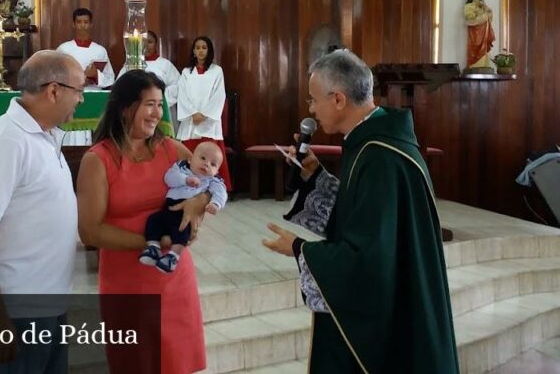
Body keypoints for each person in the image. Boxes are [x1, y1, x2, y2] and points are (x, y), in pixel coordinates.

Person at [262, 50, 459, 374]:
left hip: (394, 319)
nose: (310, 109)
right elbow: (365, 219)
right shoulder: (373, 142)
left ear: (338, 99)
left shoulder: (380, 156)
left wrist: (300, 250)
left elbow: (369, 259)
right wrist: (314, 177)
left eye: (314, 100)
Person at [76, 70, 212, 374]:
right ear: (126, 107)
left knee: (177, 364)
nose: (157, 113)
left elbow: (208, 185)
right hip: (128, 282)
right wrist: (151, 242)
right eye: (149, 104)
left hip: (175, 282)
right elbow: (89, 230)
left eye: (160, 105)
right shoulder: (99, 159)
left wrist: (197, 205)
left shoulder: (171, 150)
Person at [0, 50, 86, 374]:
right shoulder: (7, 141)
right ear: (54, 90)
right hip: (18, 310)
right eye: (79, 90)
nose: (82, 100)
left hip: (47, 300)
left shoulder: (42, 135)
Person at [140, 141, 227, 273]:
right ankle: (153, 248)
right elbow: (168, 178)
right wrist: (185, 179)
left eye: (213, 164)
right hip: (168, 208)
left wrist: (215, 204)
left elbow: (221, 192)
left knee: (182, 231)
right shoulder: (181, 168)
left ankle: (173, 256)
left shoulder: (212, 180)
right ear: (191, 158)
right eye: (203, 158)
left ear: (216, 171)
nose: (206, 164)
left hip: (184, 215)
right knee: (154, 220)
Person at [175, 36, 231, 190]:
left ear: (209, 51)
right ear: (193, 51)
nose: (200, 50)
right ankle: (188, 184)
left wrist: (205, 114)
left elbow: (219, 95)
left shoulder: (216, 71)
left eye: (204, 47)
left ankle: (213, 187)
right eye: (197, 47)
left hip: (209, 122)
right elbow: (183, 94)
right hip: (191, 121)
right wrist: (193, 113)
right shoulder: (186, 72)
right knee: (189, 153)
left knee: (209, 153)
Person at [56, 7, 115, 146]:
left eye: (86, 22)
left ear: (91, 24)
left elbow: (110, 78)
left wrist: (95, 75)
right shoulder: (64, 49)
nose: (83, 26)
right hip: (71, 97)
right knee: (71, 135)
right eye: (79, 22)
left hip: (93, 97)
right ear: (73, 24)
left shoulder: (100, 50)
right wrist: (82, 78)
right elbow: (56, 75)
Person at [119, 30, 180, 119]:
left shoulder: (165, 64)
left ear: (156, 44)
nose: (146, 45)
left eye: (150, 42)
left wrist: (159, 99)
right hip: (137, 109)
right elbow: (119, 85)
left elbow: (177, 86)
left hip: (160, 109)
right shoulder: (131, 64)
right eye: (143, 41)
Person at [464, 0, 495, 70]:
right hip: (475, 27)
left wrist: (485, 8)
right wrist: (476, 11)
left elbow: (489, 13)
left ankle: (483, 63)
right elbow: (468, 15)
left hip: (484, 26)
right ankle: (474, 64)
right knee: (475, 43)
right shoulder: (469, 4)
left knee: (484, 43)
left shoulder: (483, 3)